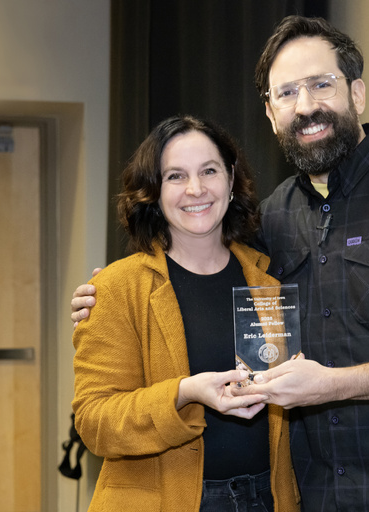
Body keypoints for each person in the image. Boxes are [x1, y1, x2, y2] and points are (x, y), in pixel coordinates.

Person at [73, 16, 369, 512]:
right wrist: (109, 291)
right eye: (286, 93)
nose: (306, 107)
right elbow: (196, 264)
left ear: (358, 93)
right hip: (321, 497)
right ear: (269, 112)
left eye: (321, 85)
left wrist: (338, 383)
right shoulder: (277, 218)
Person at [71, 115, 299, 512]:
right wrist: (184, 393)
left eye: (208, 171)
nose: (196, 189)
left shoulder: (269, 278)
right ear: (154, 191)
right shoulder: (117, 287)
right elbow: (95, 422)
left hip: (269, 497)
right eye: (175, 176)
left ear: (230, 178)